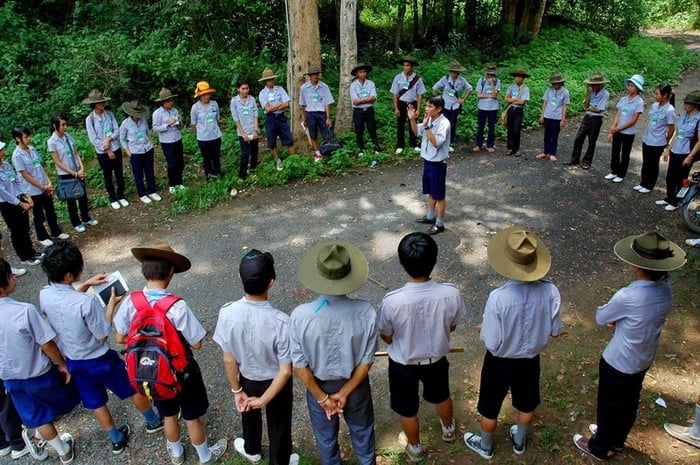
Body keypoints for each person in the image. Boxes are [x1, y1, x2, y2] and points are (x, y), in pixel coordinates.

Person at [39, 242, 165, 454]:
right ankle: (152, 420)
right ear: (70, 275)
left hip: (74, 359)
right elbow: (102, 334)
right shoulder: (85, 303)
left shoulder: (44, 294)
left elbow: (64, 301)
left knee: (95, 401)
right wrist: (111, 305)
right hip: (100, 358)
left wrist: (86, 283)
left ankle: (115, 438)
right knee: (130, 388)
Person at [573, 231, 686, 461]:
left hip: (619, 359)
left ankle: (600, 446)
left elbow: (601, 317)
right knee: (629, 401)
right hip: (643, 356)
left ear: (637, 266)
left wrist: (618, 321)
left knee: (609, 404)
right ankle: (617, 439)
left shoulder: (628, 295)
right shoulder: (665, 290)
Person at [113, 242, 227, 465]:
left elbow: (120, 337)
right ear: (171, 272)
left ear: (144, 270)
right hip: (181, 371)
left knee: (168, 414)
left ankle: (176, 453)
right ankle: (205, 455)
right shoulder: (176, 306)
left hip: (151, 371)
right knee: (192, 416)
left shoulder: (131, 302)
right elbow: (197, 344)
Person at [464, 226, 562, 459]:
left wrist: (484, 327)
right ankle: (519, 441)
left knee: (489, 404)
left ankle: (486, 446)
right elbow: (556, 330)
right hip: (530, 359)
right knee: (527, 402)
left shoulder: (498, 298)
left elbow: (492, 340)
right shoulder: (550, 291)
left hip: (499, 361)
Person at [377, 232, 466, 462]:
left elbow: (386, 335)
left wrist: (393, 340)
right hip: (436, 360)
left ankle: (415, 448)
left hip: (402, 364)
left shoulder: (392, 301)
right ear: (434, 260)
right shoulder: (450, 293)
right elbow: (452, 325)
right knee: (442, 395)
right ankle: (448, 430)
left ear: (402, 263)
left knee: (407, 409)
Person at [290, 240, 377, 465]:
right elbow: (366, 362)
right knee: (363, 432)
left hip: (318, 385)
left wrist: (323, 398)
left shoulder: (300, 316)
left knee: (326, 440)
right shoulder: (365, 312)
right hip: (355, 386)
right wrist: (345, 392)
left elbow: (299, 366)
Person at [213, 249, 299, 465]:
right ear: (271, 282)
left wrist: (236, 390)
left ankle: (252, 449)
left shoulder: (227, 313)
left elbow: (229, 359)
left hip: (246, 377)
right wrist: (265, 399)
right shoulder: (281, 321)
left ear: (239, 277)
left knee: (247, 410)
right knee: (279, 422)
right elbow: (286, 369)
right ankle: (279, 461)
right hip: (276, 382)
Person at [0, 258, 79, 464]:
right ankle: (40, 435)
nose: (14, 278)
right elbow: (47, 343)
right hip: (38, 374)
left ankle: (62, 450)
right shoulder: (23, 310)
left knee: (38, 415)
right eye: (10, 276)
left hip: (11, 380)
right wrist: (62, 364)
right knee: (65, 401)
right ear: (2, 286)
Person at [12, 126, 69, 247]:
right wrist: (42, 187)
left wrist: (48, 182)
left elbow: (40, 166)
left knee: (51, 210)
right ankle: (42, 236)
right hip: (32, 189)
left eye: (28, 136)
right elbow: (25, 176)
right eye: (26, 137)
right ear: (18, 139)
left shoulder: (32, 149)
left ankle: (55, 231)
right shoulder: (17, 155)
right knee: (38, 214)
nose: (29, 139)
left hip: (44, 185)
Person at [47, 114, 97, 233]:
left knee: (82, 196)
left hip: (78, 171)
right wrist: (74, 174)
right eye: (62, 125)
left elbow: (76, 153)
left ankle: (85, 217)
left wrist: (82, 168)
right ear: (55, 126)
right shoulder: (52, 141)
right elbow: (57, 162)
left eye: (65, 124)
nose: (65, 127)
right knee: (71, 199)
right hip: (66, 174)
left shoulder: (68, 137)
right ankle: (76, 221)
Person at [409, 96, 451, 235]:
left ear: (439, 109)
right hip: (428, 160)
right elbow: (416, 132)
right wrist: (412, 119)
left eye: (430, 107)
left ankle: (439, 223)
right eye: (426, 106)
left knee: (439, 194)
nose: (426, 109)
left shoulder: (444, 123)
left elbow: (436, 142)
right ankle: (430, 216)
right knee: (431, 190)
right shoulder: (430, 119)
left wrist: (426, 127)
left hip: (438, 163)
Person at [656, 89, 700, 211]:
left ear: (695, 105)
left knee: (681, 177)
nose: (685, 105)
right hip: (676, 149)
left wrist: (691, 156)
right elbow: (677, 133)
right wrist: (668, 148)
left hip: (686, 152)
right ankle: (669, 197)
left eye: (688, 103)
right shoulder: (684, 115)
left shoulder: (698, 119)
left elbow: (699, 141)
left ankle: (676, 201)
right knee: (670, 176)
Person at [83, 89, 128, 210]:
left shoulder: (109, 114)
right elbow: (93, 139)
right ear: (94, 104)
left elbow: (116, 130)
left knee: (119, 173)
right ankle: (112, 198)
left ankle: (121, 195)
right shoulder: (90, 119)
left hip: (116, 147)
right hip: (103, 152)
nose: (102, 104)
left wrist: (109, 139)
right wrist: (107, 149)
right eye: (99, 102)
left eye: (102, 102)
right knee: (108, 175)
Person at [0, 140, 42, 266]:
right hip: (8, 204)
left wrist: (26, 196)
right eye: (0, 151)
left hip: (19, 198)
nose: (3, 152)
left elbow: (17, 181)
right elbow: (3, 192)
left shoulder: (6, 165)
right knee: (16, 230)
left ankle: (31, 252)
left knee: (24, 227)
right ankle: (24, 256)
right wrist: (19, 203)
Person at [635, 84, 676, 194]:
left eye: (657, 94)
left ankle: (649, 185)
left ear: (665, 95)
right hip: (647, 138)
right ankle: (643, 182)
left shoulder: (669, 110)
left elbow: (671, 128)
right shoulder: (654, 106)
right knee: (646, 162)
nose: (655, 96)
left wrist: (666, 141)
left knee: (653, 164)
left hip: (658, 141)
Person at [605, 74, 645, 183]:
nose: (629, 88)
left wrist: (618, 129)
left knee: (625, 154)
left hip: (628, 132)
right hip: (617, 130)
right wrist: (613, 128)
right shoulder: (623, 99)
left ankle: (621, 174)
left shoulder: (639, 102)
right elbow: (618, 114)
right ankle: (614, 171)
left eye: (632, 86)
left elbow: (634, 120)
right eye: (629, 85)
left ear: (637, 88)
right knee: (615, 151)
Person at [566, 71, 610, 169]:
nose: (592, 87)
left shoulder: (605, 94)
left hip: (596, 119)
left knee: (591, 141)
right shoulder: (592, 92)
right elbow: (586, 105)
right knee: (578, 139)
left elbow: (599, 110)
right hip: (587, 117)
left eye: (594, 85)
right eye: (591, 85)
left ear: (600, 85)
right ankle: (574, 160)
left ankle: (587, 161)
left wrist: (589, 109)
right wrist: (588, 92)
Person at [120, 101, 161, 205]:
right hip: (135, 152)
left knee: (150, 172)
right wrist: (128, 152)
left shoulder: (143, 120)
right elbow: (122, 139)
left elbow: (147, 133)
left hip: (147, 149)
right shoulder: (125, 124)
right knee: (138, 174)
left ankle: (152, 191)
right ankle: (142, 194)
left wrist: (151, 145)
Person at [258, 67, 295, 171]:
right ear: (265, 82)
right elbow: (268, 109)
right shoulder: (262, 93)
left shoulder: (280, 89)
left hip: (281, 117)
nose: (271, 81)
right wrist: (279, 104)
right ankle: (277, 160)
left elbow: (287, 104)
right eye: (269, 80)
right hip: (271, 119)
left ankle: (294, 160)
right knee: (272, 140)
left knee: (288, 138)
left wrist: (275, 107)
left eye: (272, 79)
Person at [432, 60, 472, 152]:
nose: (454, 73)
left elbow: (469, 89)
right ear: (450, 71)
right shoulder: (445, 79)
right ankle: (441, 141)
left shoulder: (462, 81)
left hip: (455, 106)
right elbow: (435, 88)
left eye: (456, 72)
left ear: (458, 72)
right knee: (443, 124)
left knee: (452, 124)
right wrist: (437, 98)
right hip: (445, 105)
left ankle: (450, 142)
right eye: (453, 71)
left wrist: (463, 99)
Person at [152, 88, 186, 193]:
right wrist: (167, 124)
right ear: (163, 103)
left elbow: (180, 126)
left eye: (172, 100)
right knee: (172, 163)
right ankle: (172, 184)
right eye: (168, 101)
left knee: (180, 162)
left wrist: (180, 121)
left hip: (177, 138)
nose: (171, 103)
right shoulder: (157, 113)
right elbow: (155, 128)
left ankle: (179, 182)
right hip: (167, 141)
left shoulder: (174, 110)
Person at [391, 56, 426, 155]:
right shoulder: (398, 77)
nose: (406, 67)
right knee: (400, 125)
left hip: (413, 103)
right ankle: (400, 145)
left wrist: (418, 109)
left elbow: (420, 95)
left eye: (408, 65)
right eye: (404, 65)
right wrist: (396, 107)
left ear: (412, 67)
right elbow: (395, 94)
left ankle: (413, 144)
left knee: (413, 124)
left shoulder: (418, 79)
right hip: (401, 103)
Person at [299, 65, 335, 162]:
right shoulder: (304, 88)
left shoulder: (324, 87)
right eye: (313, 75)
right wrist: (305, 118)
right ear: (309, 76)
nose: (315, 76)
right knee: (313, 134)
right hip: (310, 113)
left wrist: (328, 117)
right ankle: (317, 153)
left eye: (316, 74)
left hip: (321, 113)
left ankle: (327, 151)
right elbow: (303, 104)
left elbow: (327, 103)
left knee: (326, 133)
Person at [191, 81, 223, 180]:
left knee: (216, 157)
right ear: (200, 96)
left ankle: (218, 174)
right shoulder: (195, 108)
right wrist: (200, 132)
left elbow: (218, 118)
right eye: (204, 95)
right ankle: (209, 177)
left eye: (208, 94)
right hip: (203, 138)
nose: (207, 97)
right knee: (206, 159)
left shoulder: (214, 104)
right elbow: (193, 123)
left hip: (215, 135)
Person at [536, 72, 569, 162]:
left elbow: (564, 106)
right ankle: (546, 152)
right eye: (553, 83)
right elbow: (545, 102)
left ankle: (552, 153)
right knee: (547, 135)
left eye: (556, 83)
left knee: (554, 135)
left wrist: (563, 119)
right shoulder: (549, 90)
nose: (554, 85)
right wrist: (542, 115)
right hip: (548, 115)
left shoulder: (565, 92)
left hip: (557, 116)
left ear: (560, 83)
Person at [231, 79, 260, 180]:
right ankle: (242, 175)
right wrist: (243, 133)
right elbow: (236, 119)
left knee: (254, 152)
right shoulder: (234, 101)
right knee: (245, 154)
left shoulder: (251, 99)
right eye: (243, 89)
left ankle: (253, 170)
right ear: (238, 89)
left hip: (253, 130)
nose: (245, 91)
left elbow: (255, 115)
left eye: (247, 88)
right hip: (242, 132)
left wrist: (255, 130)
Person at [350, 64, 380, 156]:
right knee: (359, 129)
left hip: (369, 110)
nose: (363, 74)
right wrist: (367, 99)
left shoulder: (370, 83)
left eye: (364, 72)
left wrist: (361, 100)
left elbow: (373, 97)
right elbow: (355, 101)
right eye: (361, 72)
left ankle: (376, 147)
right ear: (357, 74)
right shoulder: (353, 85)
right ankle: (361, 149)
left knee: (372, 128)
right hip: (358, 111)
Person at [473, 63, 501, 153]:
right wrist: (490, 95)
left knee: (491, 126)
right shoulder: (481, 80)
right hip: (482, 107)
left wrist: (492, 84)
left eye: (491, 74)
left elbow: (495, 94)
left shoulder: (497, 81)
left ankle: (490, 145)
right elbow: (479, 95)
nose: (489, 75)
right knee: (480, 126)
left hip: (493, 108)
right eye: (488, 73)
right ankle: (478, 144)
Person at [503, 68, 531, 157]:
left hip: (519, 111)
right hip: (511, 110)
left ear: (523, 78)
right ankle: (510, 148)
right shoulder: (511, 87)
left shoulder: (525, 89)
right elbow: (506, 98)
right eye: (517, 77)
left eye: (520, 77)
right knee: (510, 129)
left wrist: (512, 100)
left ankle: (516, 148)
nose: (518, 78)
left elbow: (522, 102)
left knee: (516, 130)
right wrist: (516, 100)